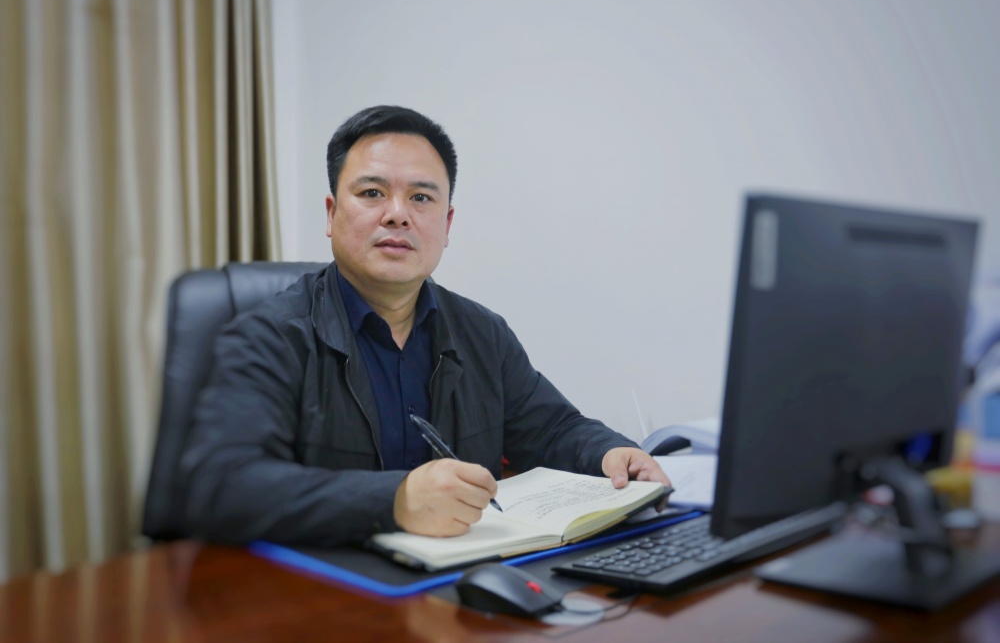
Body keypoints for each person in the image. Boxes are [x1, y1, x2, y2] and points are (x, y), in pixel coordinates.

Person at [181, 105, 670, 546]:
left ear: (447, 224)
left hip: (455, 589)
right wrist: (393, 500)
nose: (398, 215)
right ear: (331, 214)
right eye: (372, 193)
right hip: (318, 591)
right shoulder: (267, 336)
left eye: (421, 197)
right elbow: (220, 485)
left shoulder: (483, 333)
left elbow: (553, 428)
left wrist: (610, 453)